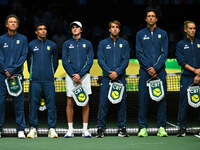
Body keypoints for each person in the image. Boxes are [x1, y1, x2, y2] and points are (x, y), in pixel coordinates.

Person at [136, 8, 168, 137]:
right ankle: (143, 128)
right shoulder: (140, 34)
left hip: (159, 72)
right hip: (145, 72)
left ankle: (161, 127)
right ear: (145, 19)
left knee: (161, 99)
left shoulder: (163, 34)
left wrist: (156, 68)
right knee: (143, 100)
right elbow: (139, 52)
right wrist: (149, 68)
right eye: (148, 16)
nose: (150, 18)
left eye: (153, 16)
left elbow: (164, 53)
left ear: (156, 19)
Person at [96, 20, 130, 138]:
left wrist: (117, 72)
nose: (115, 29)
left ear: (119, 30)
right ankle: (100, 128)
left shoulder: (125, 43)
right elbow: (100, 59)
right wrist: (109, 72)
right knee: (103, 103)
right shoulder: (103, 43)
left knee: (121, 103)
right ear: (109, 29)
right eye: (112, 27)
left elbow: (126, 60)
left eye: (117, 27)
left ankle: (122, 128)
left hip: (120, 78)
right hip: (107, 78)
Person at [62, 21, 94, 138]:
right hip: (71, 77)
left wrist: (80, 74)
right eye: (73, 27)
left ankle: (85, 130)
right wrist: (73, 75)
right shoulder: (66, 44)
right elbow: (65, 61)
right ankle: (70, 130)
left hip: (84, 77)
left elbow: (89, 61)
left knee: (85, 101)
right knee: (70, 102)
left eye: (77, 27)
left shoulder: (88, 44)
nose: (75, 29)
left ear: (81, 30)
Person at [26, 23, 58, 138]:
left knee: (51, 104)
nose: (43, 31)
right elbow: (29, 62)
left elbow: (55, 63)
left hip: (49, 80)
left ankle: (52, 129)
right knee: (33, 104)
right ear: (36, 32)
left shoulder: (53, 45)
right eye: (40, 29)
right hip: (35, 80)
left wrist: (50, 73)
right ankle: (33, 128)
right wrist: (34, 74)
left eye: (44, 29)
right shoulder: (30, 45)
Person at [0, 14, 28, 138]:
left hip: (17, 75)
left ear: (17, 24)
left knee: (19, 102)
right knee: (0, 102)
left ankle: (21, 129)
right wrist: (6, 70)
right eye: (10, 22)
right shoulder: (1, 39)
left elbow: (23, 56)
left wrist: (12, 70)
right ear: (6, 24)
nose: (12, 23)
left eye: (15, 22)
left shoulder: (23, 39)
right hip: (2, 75)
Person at [176, 21, 200, 137]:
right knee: (183, 102)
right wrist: (194, 71)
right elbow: (181, 61)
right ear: (185, 30)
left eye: (194, 28)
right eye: (190, 28)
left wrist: (198, 74)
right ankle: (181, 127)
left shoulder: (199, 43)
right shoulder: (180, 44)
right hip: (186, 77)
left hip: (199, 77)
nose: (192, 30)